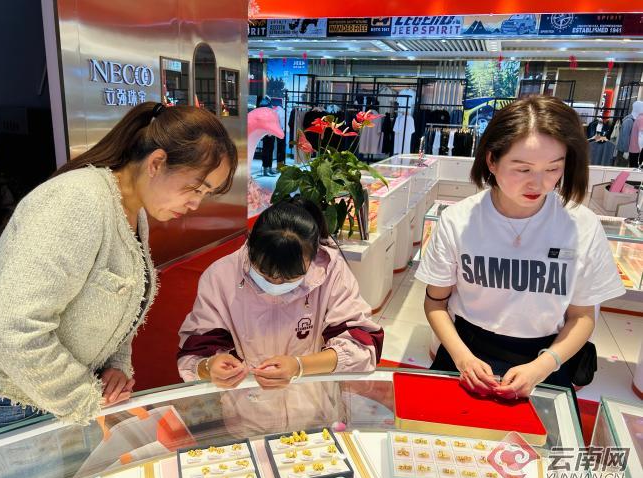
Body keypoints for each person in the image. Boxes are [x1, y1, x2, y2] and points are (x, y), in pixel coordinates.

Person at [0, 102, 238, 433]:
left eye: (205, 194)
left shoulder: (133, 210)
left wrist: (113, 365)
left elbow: (120, 300)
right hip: (10, 401)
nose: (196, 204)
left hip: (56, 394)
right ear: (157, 163)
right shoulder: (78, 201)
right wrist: (85, 396)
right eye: (195, 188)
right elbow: (12, 330)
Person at [417, 95, 625, 402]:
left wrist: (543, 366)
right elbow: (436, 303)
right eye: (522, 169)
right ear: (492, 160)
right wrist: (463, 358)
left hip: (546, 358)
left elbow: (582, 316)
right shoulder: (458, 220)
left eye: (553, 169)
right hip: (467, 351)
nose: (538, 184)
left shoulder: (581, 225)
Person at [177, 198, 384, 388]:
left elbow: (363, 348)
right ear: (250, 248)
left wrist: (300, 366)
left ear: (312, 258)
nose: (275, 284)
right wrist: (209, 366)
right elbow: (194, 352)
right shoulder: (221, 275)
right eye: (264, 273)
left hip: (314, 401)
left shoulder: (330, 271)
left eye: (289, 278)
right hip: (245, 403)